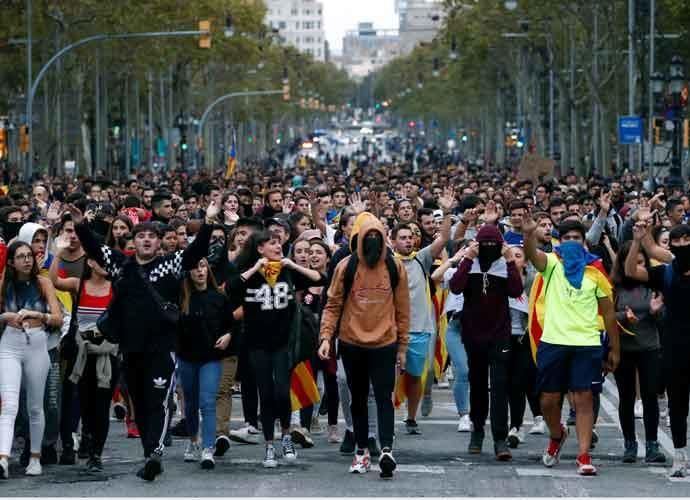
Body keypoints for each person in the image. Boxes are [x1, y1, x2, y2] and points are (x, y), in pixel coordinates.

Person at [73, 202, 216, 481]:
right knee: (139, 402)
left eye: (151, 236)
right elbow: (94, 249)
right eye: (141, 236)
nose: (147, 240)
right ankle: (149, 453)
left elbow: (195, 252)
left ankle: (156, 453)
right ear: (133, 242)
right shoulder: (120, 265)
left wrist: (209, 223)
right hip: (130, 348)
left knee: (159, 402)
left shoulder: (170, 263)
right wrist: (81, 226)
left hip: (162, 347)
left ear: (158, 241)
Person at [523, 217, 620, 476]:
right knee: (548, 401)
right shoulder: (552, 264)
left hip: (586, 344)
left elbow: (609, 314)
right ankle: (557, 435)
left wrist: (614, 349)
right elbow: (532, 255)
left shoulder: (595, 272)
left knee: (583, 399)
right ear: (559, 241)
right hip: (553, 342)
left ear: (584, 241)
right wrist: (528, 233)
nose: (571, 243)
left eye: (576, 238)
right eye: (566, 238)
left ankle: (584, 455)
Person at [319, 214, 410, 479]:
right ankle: (361, 452)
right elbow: (333, 304)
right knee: (357, 399)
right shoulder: (345, 267)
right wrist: (326, 337)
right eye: (366, 237)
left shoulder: (395, 267)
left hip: (385, 343)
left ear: (384, 240)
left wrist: (402, 348)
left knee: (384, 398)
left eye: (377, 236)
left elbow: (403, 311)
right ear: (356, 241)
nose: (371, 241)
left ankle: (386, 450)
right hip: (351, 343)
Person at [228, 230, 324, 468]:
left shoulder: (287, 271)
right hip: (257, 344)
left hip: (284, 344)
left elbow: (320, 278)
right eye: (272, 243)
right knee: (266, 394)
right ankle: (269, 445)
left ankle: (287, 437)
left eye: (279, 243)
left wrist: (292, 264)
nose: (278, 246)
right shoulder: (249, 273)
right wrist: (255, 269)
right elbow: (229, 288)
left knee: (282, 392)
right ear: (260, 248)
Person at [448, 225, 523, 461]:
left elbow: (516, 290)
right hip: (473, 334)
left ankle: (500, 438)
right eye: (484, 245)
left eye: (494, 245)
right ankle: (477, 431)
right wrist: (468, 258)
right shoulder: (470, 263)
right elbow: (456, 286)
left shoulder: (504, 264)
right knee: (478, 385)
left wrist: (510, 261)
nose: (489, 249)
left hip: (499, 334)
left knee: (500, 387)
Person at [623, 221, 690, 477]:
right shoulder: (666, 273)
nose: (683, 246)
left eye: (687, 241)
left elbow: (655, 249)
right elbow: (631, 270)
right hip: (674, 348)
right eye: (677, 242)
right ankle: (680, 456)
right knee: (677, 405)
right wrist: (638, 240)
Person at [49, 234, 119, 473]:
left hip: (108, 356)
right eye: (100, 261)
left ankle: (96, 453)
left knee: (102, 405)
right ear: (90, 263)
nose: (105, 265)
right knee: (86, 405)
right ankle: (87, 436)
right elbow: (53, 281)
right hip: (82, 355)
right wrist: (58, 252)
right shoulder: (79, 285)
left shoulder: (116, 287)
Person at [390, 189, 453, 434]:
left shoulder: (422, 258)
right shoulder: (384, 260)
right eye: (403, 237)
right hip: (388, 331)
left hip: (419, 329)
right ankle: (385, 416)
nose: (408, 241)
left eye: (411, 237)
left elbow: (444, 238)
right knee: (387, 379)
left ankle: (411, 417)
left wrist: (446, 211)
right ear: (392, 240)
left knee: (416, 376)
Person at [0, 241, 63, 478]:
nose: (27, 260)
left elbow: (57, 318)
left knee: (35, 406)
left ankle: (35, 457)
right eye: (21, 256)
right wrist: (5, 316)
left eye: (29, 255)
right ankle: (3, 458)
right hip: (10, 344)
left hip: (38, 343)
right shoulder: (4, 285)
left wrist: (38, 314)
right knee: (9, 405)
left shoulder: (43, 282)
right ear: (11, 261)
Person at [611, 241, 666, 464]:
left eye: (641, 263)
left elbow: (664, 320)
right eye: (631, 263)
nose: (636, 267)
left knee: (650, 396)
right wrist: (624, 317)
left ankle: (652, 444)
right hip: (623, 349)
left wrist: (655, 312)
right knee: (626, 397)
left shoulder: (654, 286)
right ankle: (630, 444)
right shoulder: (614, 287)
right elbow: (604, 318)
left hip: (649, 348)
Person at [177, 259, 233, 470]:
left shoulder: (218, 297)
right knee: (190, 404)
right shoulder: (182, 297)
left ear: (208, 270)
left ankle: (208, 448)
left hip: (210, 358)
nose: (199, 271)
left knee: (207, 401)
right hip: (186, 357)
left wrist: (228, 335)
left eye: (202, 267)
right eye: (195, 267)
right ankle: (193, 441)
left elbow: (231, 324)